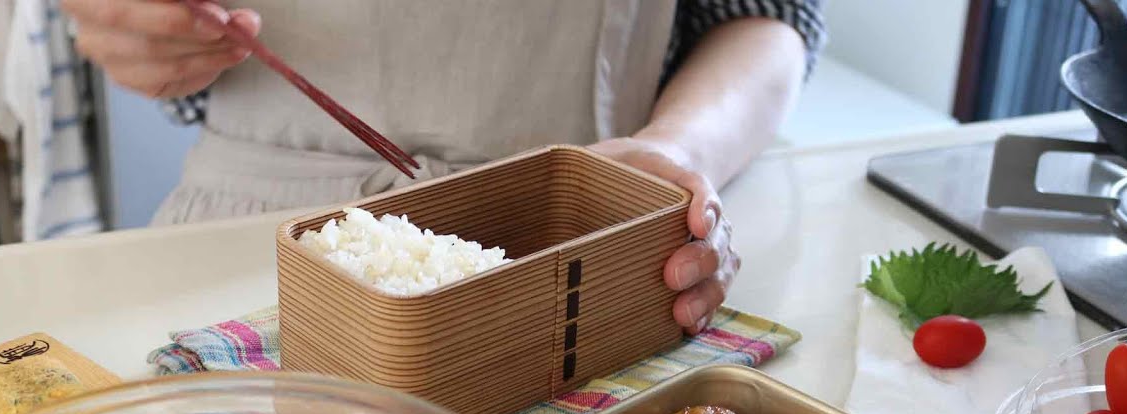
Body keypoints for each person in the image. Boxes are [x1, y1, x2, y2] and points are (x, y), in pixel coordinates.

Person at [64, 0, 825, 333]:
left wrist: (682, 151)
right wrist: (144, 34)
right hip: (250, 240)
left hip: (584, 239)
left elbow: (766, 11)